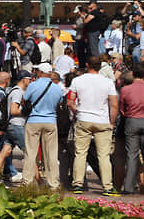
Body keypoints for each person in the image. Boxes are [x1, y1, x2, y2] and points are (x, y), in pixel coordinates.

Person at [68, 56, 119, 196]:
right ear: (100, 66)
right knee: (104, 155)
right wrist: (112, 122)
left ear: (87, 65)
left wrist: (77, 112)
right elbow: (114, 104)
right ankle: (107, 186)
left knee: (80, 153)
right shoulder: (108, 82)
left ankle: (77, 184)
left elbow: (70, 101)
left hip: (84, 119)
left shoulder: (77, 80)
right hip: (102, 121)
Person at [22, 64, 62, 189]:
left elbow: (25, 99)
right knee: (51, 154)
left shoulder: (33, 85)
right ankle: (53, 182)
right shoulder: (57, 88)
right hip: (50, 120)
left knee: (30, 152)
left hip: (34, 120)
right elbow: (59, 103)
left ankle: (27, 182)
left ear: (40, 72)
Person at [0, 71, 30, 183]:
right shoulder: (18, 92)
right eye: (29, 79)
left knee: (5, 152)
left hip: (10, 125)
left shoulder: (12, 90)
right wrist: (26, 112)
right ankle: (35, 181)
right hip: (17, 125)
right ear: (23, 79)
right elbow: (13, 110)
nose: (30, 81)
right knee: (30, 153)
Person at [119, 63, 144, 194]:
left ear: (133, 74)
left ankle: (129, 187)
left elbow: (122, 110)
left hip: (132, 121)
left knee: (131, 155)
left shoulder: (125, 89)